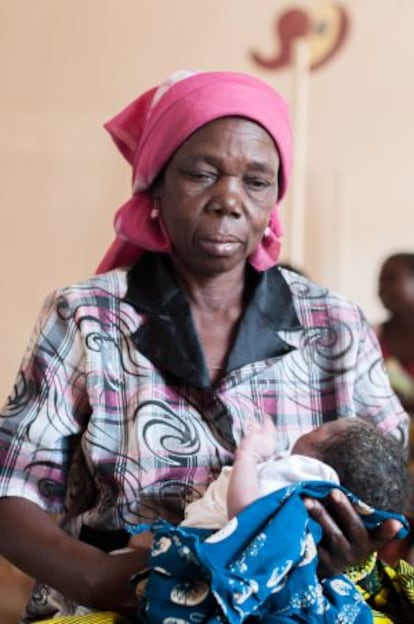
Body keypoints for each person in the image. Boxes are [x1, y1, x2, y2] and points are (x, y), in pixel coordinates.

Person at [0, 69, 409, 622]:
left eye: (255, 182)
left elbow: (390, 489)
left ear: (272, 202)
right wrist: (100, 580)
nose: (228, 200)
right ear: (156, 185)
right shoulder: (88, 315)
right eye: (201, 173)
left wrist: (352, 554)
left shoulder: (334, 324)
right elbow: (11, 491)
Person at [129, 416, 409, 623]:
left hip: (215, 558)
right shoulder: (311, 495)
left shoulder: (301, 472)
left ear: (319, 464)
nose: (309, 429)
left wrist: (248, 455)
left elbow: (247, 516)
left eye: (318, 429)